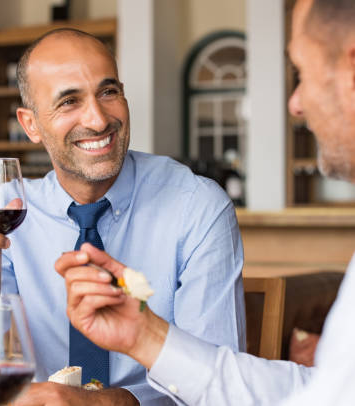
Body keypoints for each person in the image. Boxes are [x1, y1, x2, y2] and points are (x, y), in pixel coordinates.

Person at [56, 0, 355, 404]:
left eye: (302, 74)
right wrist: (147, 337)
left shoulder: (196, 204)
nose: (295, 103)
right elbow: (322, 394)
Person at [0, 28, 246, 405]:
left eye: (108, 92)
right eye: (69, 101)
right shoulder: (8, 212)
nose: (98, 120)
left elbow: (218, 390)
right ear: (30, 124)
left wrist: (105, 403)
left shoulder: (197, 208)